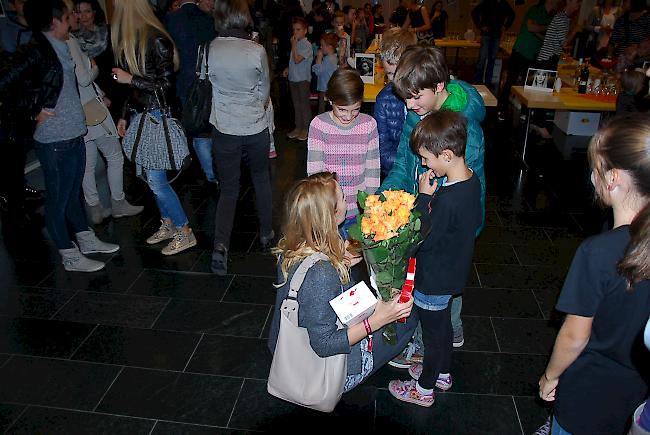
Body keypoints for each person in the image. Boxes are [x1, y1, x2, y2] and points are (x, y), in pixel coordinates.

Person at [538, 114, 650, 435]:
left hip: (588, 395)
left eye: (595, 170)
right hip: (637, 393)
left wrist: (551, 376)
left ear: (612, 178)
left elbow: (575, 336)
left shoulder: (598, 251)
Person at [268, 171, 417, 394]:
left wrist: (340, 261)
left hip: (287, 347)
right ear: (332, 214)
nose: (348, 200)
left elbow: (307, 288)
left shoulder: (292, 245)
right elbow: (324, 345)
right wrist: (376, 321)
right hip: (328, 373)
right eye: (343, 198)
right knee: (408, 318)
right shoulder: (322, 274)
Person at [381, 45, 486, 357]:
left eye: (416, 97)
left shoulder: (466, 128)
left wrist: (425, 213)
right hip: (425, 209)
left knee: (443, 281)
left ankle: (436, 343)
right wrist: (385, 199)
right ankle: (433, 334)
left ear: (439, 86)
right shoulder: (419, 114)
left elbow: (465, 189)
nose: (410, 106)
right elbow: (403, 162)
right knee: (425, 277)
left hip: (450, 218)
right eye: (406, 98)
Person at [0, 0, 119, 272]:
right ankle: (69, 254)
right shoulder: (36, 51)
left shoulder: (61, 45)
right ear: (54, 22)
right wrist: (31, 111)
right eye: (67, 17)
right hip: (54, 138)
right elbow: (6, 85)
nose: (72, 20)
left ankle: (85, 239)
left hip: (74, 130)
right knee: (58, 198)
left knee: (72, 194)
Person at [388, 111, 482, 407]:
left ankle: (424, 388)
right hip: (452, 272)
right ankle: (441, 373)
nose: (425, 164)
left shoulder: (446, 200)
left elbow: (422, 239)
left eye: (427, 159)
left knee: (433, 335)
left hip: (433, 279)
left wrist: (424, 197)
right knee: (442, 328)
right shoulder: (471, 182)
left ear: (447, 154)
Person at [112, 0, 197, 256]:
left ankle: (184, 231)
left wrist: (131, 79)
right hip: (143, 116)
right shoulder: (137, 38)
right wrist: (125, 115)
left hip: (157, 117)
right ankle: (169, 223)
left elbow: (166, 86)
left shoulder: (156, 39)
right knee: (151, 180)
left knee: (157, 182)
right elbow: (133, 89)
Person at [208, 0, 274, 275]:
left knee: (229, 188)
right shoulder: (256, 51)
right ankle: (267, 236)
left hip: (224, 126)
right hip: (254, 125)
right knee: (261, 180)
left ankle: (221, 245)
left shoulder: (212, 47)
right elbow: (264, 92)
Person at [66, 1, 143, 224]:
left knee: (88, 163)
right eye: (74, 12)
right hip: (91, 107)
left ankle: (95, 208)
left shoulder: (65, 41)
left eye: (83, 11)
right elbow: (83, 77)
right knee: (113, 155)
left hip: (84, 104)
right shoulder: (71, 41)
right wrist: (95, 68)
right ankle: (117, 202)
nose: (78, 16)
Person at [307, 69, 380, 239]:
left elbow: (372, 170)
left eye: (355, 109)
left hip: (359, 211)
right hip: (330, 212)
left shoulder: (369, 125)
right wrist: (327, 207)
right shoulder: (319, 126)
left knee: (354, 259)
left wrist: (370, 204)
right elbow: (316, 175)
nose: (348, 116)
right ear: (330, 100)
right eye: (341, 110)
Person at [165, 0, 218, 184]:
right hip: (207, 80)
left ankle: (197, 169)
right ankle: (212, 173)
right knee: (206, 129)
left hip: (183, 81)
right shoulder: (207, 19)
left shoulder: (172, 20)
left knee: (192, 127)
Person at [498, 0, 557, 118]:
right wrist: (545, 27)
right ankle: (501, 108)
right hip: (520, 50)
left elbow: (543, 35)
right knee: (511, 80)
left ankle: (525, 113)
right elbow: (530, 27)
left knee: (528, 85)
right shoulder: (535, 10)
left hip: (534, 55)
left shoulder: (552, 16)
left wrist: (538, 29)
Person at [373, 27, 417, 180]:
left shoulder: (426, 95)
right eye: (390, 74)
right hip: (396, 175)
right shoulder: (383, 100)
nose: (395, 80)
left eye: (400, 73)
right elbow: (382, 150)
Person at [471, 0, 515, 87]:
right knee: (482, 59)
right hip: (486, 34)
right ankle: (477, 81)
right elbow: (474, 12)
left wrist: (505, 26)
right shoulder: (487, 2)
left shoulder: (504, 4)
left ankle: (488, 82)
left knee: (492, 60)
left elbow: (512, 15)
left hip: (497, 34)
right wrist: (481, 26)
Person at [283, 16, 313, 142]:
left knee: (304, 104)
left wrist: (294, 45)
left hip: (302, 79)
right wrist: (288, 69)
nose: (295, 32)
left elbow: (297, 59)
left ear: (305, 31)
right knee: (296, 104)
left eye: (298, 29)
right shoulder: (297, 44)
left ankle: (306, 128)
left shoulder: (306, 44)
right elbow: (293, 62)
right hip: (293, 78)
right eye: (294, 30)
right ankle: (298, 126)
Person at [536, 0, 582, 71]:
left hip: (547, 59)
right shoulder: (561, 18)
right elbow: (564, 43)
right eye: (577, 1)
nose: (579, 4)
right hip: (546, 61)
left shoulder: (564, 18)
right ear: (568, 1)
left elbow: (556, 42)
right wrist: (575, 31)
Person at [312, 32, 339, 114]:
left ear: (329, 47)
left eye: (322, 45)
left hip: (324, 88)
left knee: (322, 110)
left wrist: (319, 59)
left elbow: (318, 71)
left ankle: (321, 125)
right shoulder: (334, 57)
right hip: (329, 88)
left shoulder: (328, 59)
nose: (321, 47)